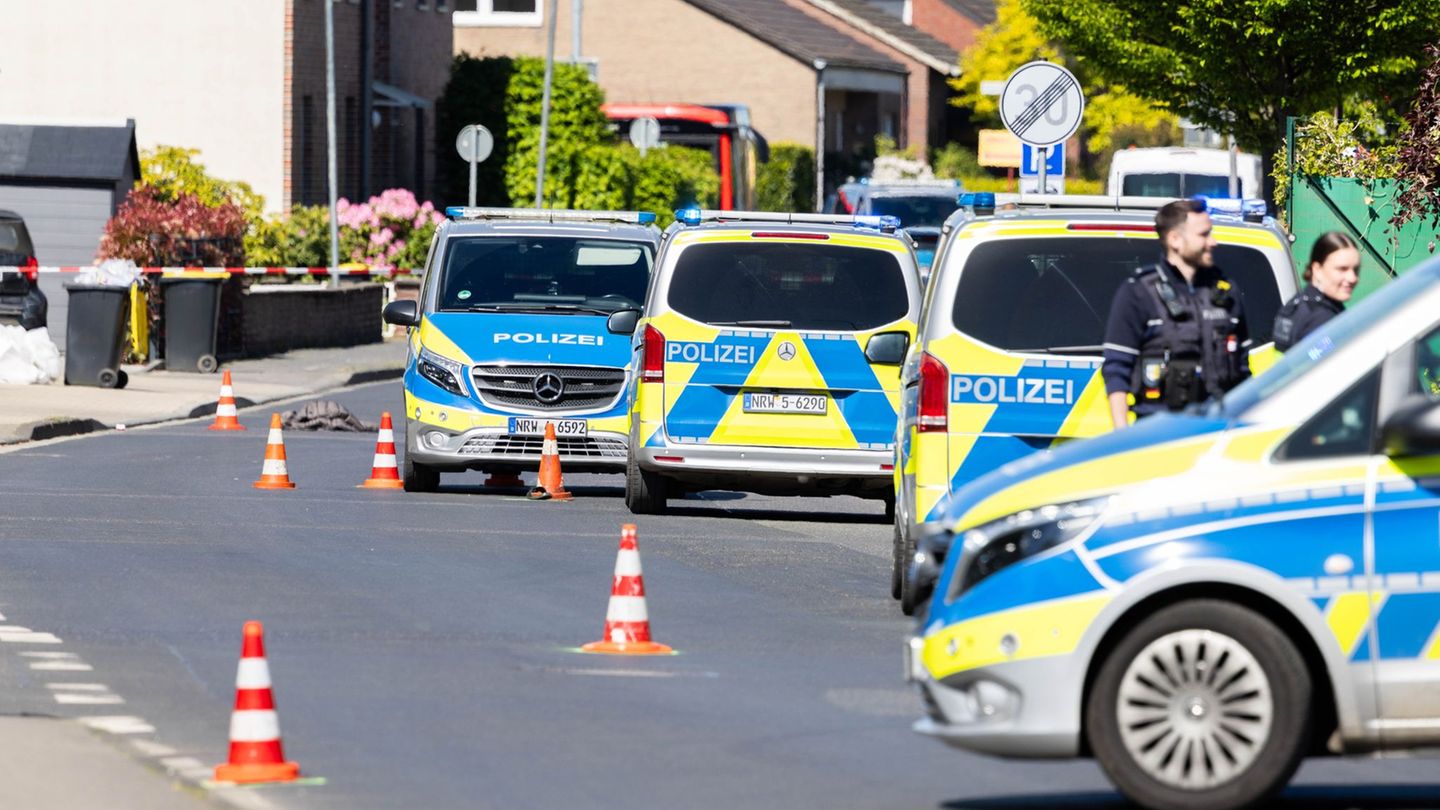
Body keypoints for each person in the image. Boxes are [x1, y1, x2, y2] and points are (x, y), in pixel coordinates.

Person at [1102, 199, 1250, 429]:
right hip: (1159, 435)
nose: (1213, 242)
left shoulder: (1225, 292)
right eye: (1204, 235)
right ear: (1174, 240)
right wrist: (1123, 438)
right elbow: (1117, 371)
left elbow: (1242, 371)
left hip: (1217, 432)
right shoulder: (1138, 293)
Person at [1273, 232, 1360, 351]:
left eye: (1356, 269)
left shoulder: (1296, 304)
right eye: (1342, 269)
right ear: (1317, 269)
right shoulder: (1322, 319)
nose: (1352, 278)